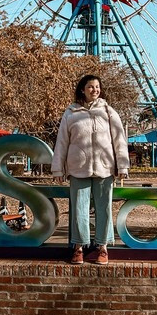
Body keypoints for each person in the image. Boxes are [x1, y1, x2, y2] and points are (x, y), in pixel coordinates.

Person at [51, 74, 129, 265]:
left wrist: (123, 165)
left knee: (104, 208)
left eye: (97, 87)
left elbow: (119, 140)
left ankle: (102, 247)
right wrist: (57, 169)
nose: (94, 90)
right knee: (79, 209)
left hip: (104, 168)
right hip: (78, 168)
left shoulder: (109, 112)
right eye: (90, 87)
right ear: (82, 89)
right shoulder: (70, 113)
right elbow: (62, 142)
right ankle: (78, 247)